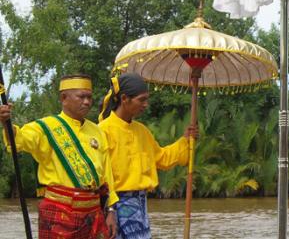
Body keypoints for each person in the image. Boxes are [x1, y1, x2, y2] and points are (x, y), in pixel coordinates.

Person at [0, 74, 119, 239]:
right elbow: (18, 140)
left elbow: (107, 175)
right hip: (59, 211)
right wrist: (6, 123)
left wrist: (111, 210)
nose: (86, 102)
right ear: (64, 98)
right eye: (81, 97)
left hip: (94, 211)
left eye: (89, 97)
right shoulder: (45, 127)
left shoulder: (97, 130)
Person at [98, 72, 197, 239]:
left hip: (140, 204)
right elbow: (100, 176)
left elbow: (162, 158)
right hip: (114, 206)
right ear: (124, 99)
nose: (146, 104)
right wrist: (110, 209)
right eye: (141, 99)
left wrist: (186, 140)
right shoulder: (103, 131)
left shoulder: (142, 131)